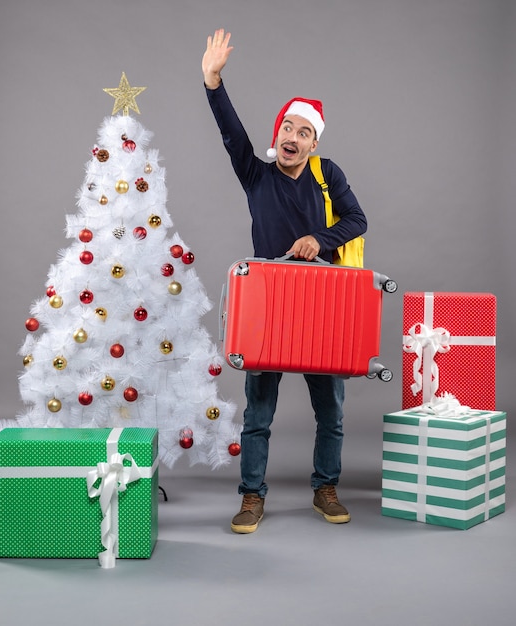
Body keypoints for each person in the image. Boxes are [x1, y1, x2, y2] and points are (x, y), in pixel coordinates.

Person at [202, 29, 367, 533]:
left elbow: (357, 221)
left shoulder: (327, 174)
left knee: (330, 411)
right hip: (268, 303)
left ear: (314, 142)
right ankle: (252, 496)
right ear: (277, 136)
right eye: (286, 128)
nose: (291, 137)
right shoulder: (255, 174)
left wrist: (319, 238)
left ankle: (325, 487)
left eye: (303, 132)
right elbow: (231, 131)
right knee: (259, 413)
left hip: (321, 303)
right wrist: (213, 82)